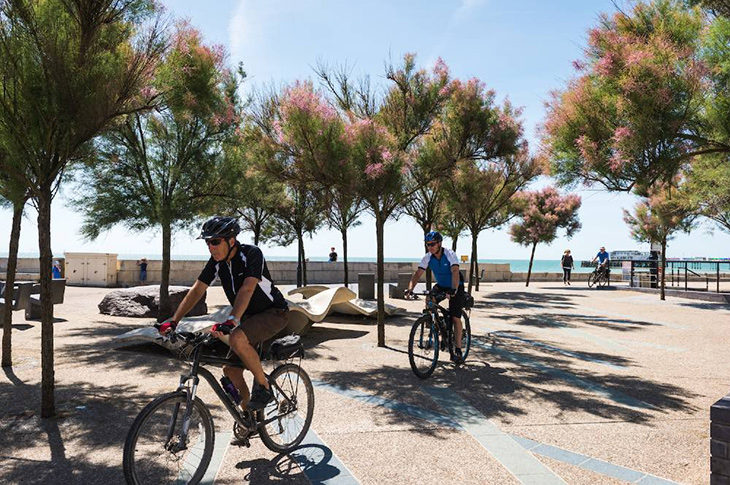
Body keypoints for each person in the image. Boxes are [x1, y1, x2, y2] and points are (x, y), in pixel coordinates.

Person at [159, 216, 290, 410]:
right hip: (249, 318)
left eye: (215, 241)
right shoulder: (216, 262)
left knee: (237, 337)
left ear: (231, 240)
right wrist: (174, 321)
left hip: (274, 312)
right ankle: (249, 418)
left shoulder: (252, 254)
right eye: (207, 242)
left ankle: (264, 386)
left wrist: (232, 319)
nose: (210, 247)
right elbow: (197, 290)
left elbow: (248, 288)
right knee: (230, 371)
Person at [405, 231, 465, 363]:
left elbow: (455, 271)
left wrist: (454, 289)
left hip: (455, 285)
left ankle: (459, 349)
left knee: (455, 317)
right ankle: (435, 323)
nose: (430, 247)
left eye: (432, 244)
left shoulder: (450, 254)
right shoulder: (427, 257)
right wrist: (410, 289)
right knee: (429, 299)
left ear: (439, 243)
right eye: (428, 245)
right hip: (441, 285)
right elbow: (417, 274)